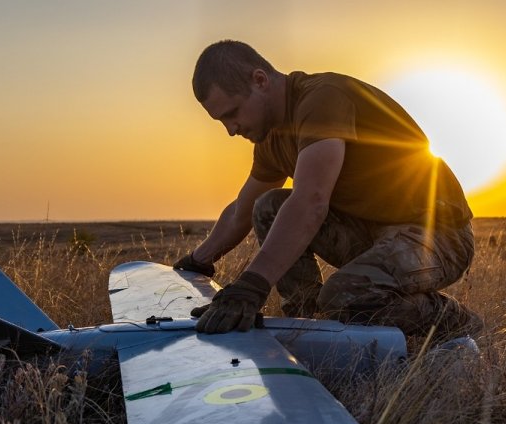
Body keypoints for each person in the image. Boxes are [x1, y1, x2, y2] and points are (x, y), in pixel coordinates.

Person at [173, 40, 481, 340]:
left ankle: (455, 321)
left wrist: (252, 286)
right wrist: (198, 261)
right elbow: (242, 211)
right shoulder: (270, 138)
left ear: (260, 80)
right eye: (222, 121)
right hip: (373, 235)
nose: (231, 129)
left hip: (439, 235)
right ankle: (306, 326)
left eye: (232, 113)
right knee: (268, 205)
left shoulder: (322, 98)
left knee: (345, 295)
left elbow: (311, 201)